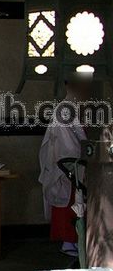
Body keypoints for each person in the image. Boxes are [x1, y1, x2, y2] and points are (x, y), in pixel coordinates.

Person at [39, 79, 90, 259]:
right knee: (70, 201)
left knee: (74, 201)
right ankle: (70, 242)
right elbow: (70, 143)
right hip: (67, 164)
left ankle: (75, 241)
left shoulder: (77, 106)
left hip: (73, 161)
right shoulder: (66, 109)